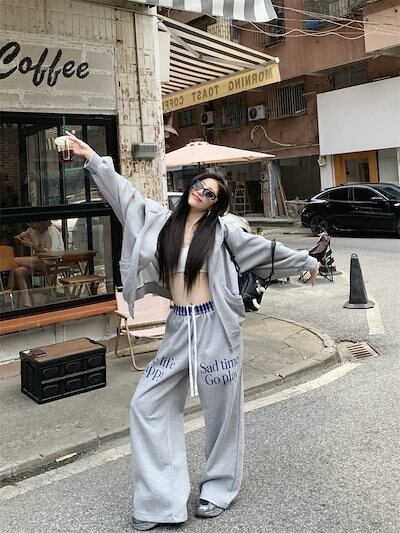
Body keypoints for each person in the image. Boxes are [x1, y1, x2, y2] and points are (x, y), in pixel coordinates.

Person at [66, 132, 318, 531]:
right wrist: (92, 157)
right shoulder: (160, 220)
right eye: (199, 185)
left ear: (217, 204)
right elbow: (123, 195)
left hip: (217, 326)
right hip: (179, 326)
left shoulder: (224, 232)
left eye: (210, 192)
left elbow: (267, 252)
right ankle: (161, 501)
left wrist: (307, 260)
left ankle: (219, 488)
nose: (201, 192)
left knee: (222, 413)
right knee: (146, 404)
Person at [9, 221, 64, 307]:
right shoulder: (33, 229)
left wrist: (31, 245)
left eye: (33, 223)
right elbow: (20, 236)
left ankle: (9, 289)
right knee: (18, 271)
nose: (31, 225)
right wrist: (19, 239)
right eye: (30, 224)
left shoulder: (51, 232)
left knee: (14, 260)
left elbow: (48, 254)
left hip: (50, 261)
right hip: (38, 260)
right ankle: (27, 304)